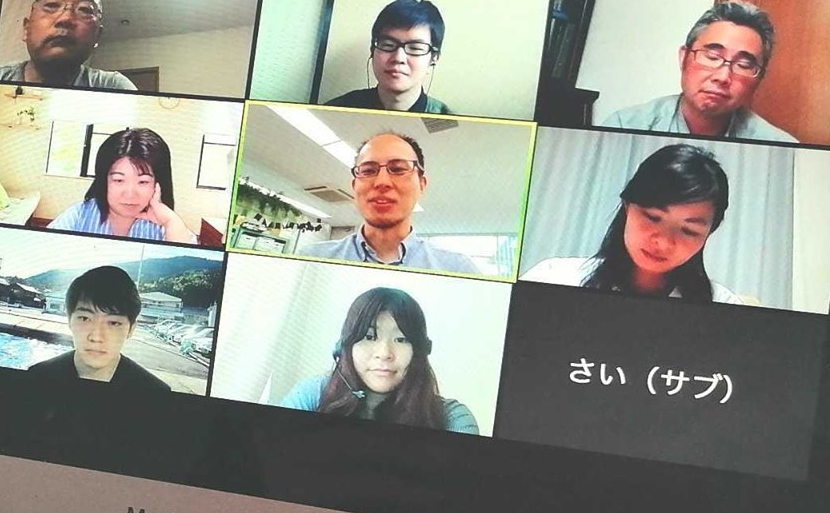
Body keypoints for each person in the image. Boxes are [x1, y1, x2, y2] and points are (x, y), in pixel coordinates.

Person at [520, 143, 744, 303]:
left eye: (688, 230)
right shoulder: (554, 278)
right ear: (627, 206)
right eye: (653, 217)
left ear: (709, 232)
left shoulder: (723, 304)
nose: (663, 242)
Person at [276, 287, 478, 433]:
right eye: (369, 336)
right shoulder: (314, 394)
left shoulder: (453, 418)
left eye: (401, 339)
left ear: (419, 350)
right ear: (345, 346)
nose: (384, 353)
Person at [597, 0, 797, 143]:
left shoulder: (778, 144)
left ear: (759, 78)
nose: (722, 77)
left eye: (743, 65)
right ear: (683, 57)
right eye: (712, 57)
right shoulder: (625, 126)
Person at [297, 132, 486, 275]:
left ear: (421, 184)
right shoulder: (310, 261)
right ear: (354, 186)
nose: (382, 182)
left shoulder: (458, 269)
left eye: (398, 169)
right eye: (368, 171)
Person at [0, 0, 137, 90]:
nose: (66, 18)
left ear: (97, 36)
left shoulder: (114, 86)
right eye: (52, 4)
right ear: (26, 28)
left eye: (84, 9)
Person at [25, 265, 171, 387]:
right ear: (69, 321)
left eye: (114, 323)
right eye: (85, 318)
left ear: (131, 329)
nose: (96, 337)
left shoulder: (155, 394)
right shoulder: (36, 378)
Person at [47, 128, 198, 242]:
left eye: (143, 182)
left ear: (157, 185)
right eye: (119, 180)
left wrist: (171, 221)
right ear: (104, 180)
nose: (130, 194)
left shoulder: (167, 224)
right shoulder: (78, 216)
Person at [325, 0, 450, 114]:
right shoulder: (335, 112)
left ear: (434, 58)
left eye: (415, 48)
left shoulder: (449, 121)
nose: (398, 58)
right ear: (372, 50)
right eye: (388, 45)